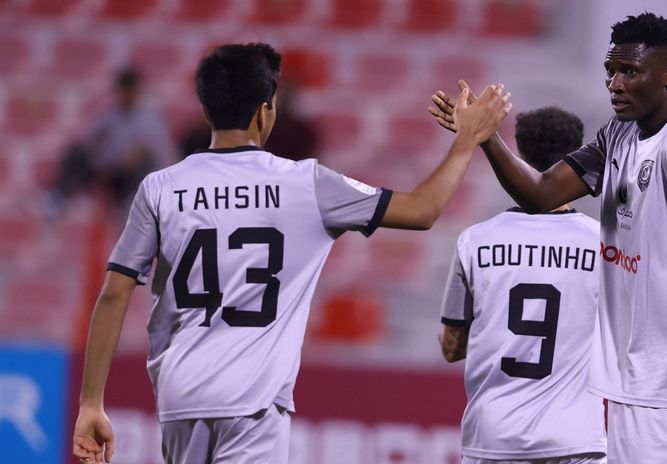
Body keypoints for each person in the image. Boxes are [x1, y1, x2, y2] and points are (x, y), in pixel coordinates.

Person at [72, 43, 512, 464]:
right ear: (267, 111)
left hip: (179, 396)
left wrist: (92, 403)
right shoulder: (306, 184)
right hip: (253, 399)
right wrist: (466, 140)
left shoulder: (160, 187)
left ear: (206, 109)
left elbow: (113, 294)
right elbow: (422, 210)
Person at [428, 12, 667, 463]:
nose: (614, 83)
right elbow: (542, 193)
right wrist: (485, 137)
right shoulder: (621, 134)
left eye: (630, 71)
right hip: (637, 373)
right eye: (610, 70)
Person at [439, 107, 605, 464]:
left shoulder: (475, 241)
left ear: (519, 154)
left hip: (493, 439)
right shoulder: (602, 245)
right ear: (578, 156)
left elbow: (452, 347)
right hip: (574, 439)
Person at [46, 67, 173, 219]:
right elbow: (87, 140)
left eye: (128, 91)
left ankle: (130, 203)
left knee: (141, 165)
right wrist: (97, 154)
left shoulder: (148, 118)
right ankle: (60, 196)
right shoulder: (109, 115)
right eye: (122, 91)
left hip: (135, 174)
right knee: (76, 153)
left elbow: (143, 153)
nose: (125, 95)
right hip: (112, 167)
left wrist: (120, 162)